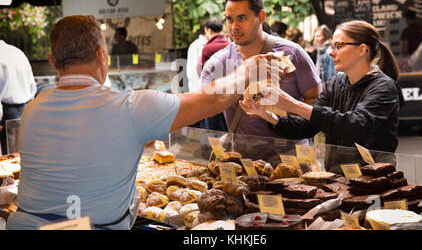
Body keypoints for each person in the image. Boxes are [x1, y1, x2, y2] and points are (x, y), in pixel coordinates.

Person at [6, 15, 279, 230]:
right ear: (102, 56)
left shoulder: (32, 110)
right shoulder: (130, 107)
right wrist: (246, 70)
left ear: (53, 62)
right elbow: (211, 101)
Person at [240, 20, 404, 172]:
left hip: (376, 176)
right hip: (339, 176)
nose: (331, 53)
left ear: (362, 50)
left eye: (339, 46)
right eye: (332, 46)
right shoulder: (335, 82)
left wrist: (293, 105)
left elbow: (356, 126)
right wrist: (267, 115)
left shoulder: (384, 87)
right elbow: (308, 126)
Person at [200, 0, 321, 141]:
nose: (234, 26)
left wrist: (285, 112)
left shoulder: (293, 53)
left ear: (261, 17)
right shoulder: (217, 62)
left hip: (291, 159)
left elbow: (316, 99)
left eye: (242, 18)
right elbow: (203, 104)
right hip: (241, 160)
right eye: (229, 19)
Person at [0, 40, 37, 155]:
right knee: (20, 159)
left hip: (4, 115)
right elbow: (32, 89)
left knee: (5, 163)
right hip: (24, 113)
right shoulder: (17, 53)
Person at [198, 17, 230, 132]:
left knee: (212, 130)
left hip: (211, 95)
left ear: (208, 30)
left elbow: (201, 71)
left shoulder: (207, 48)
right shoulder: (230, 45)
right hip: (229, 94)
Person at [186, 19, 208, 92]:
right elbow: (198, 67)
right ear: (207, 30)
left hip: (195, 89)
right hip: (202, 90)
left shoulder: (193, 44)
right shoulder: (202, 45)